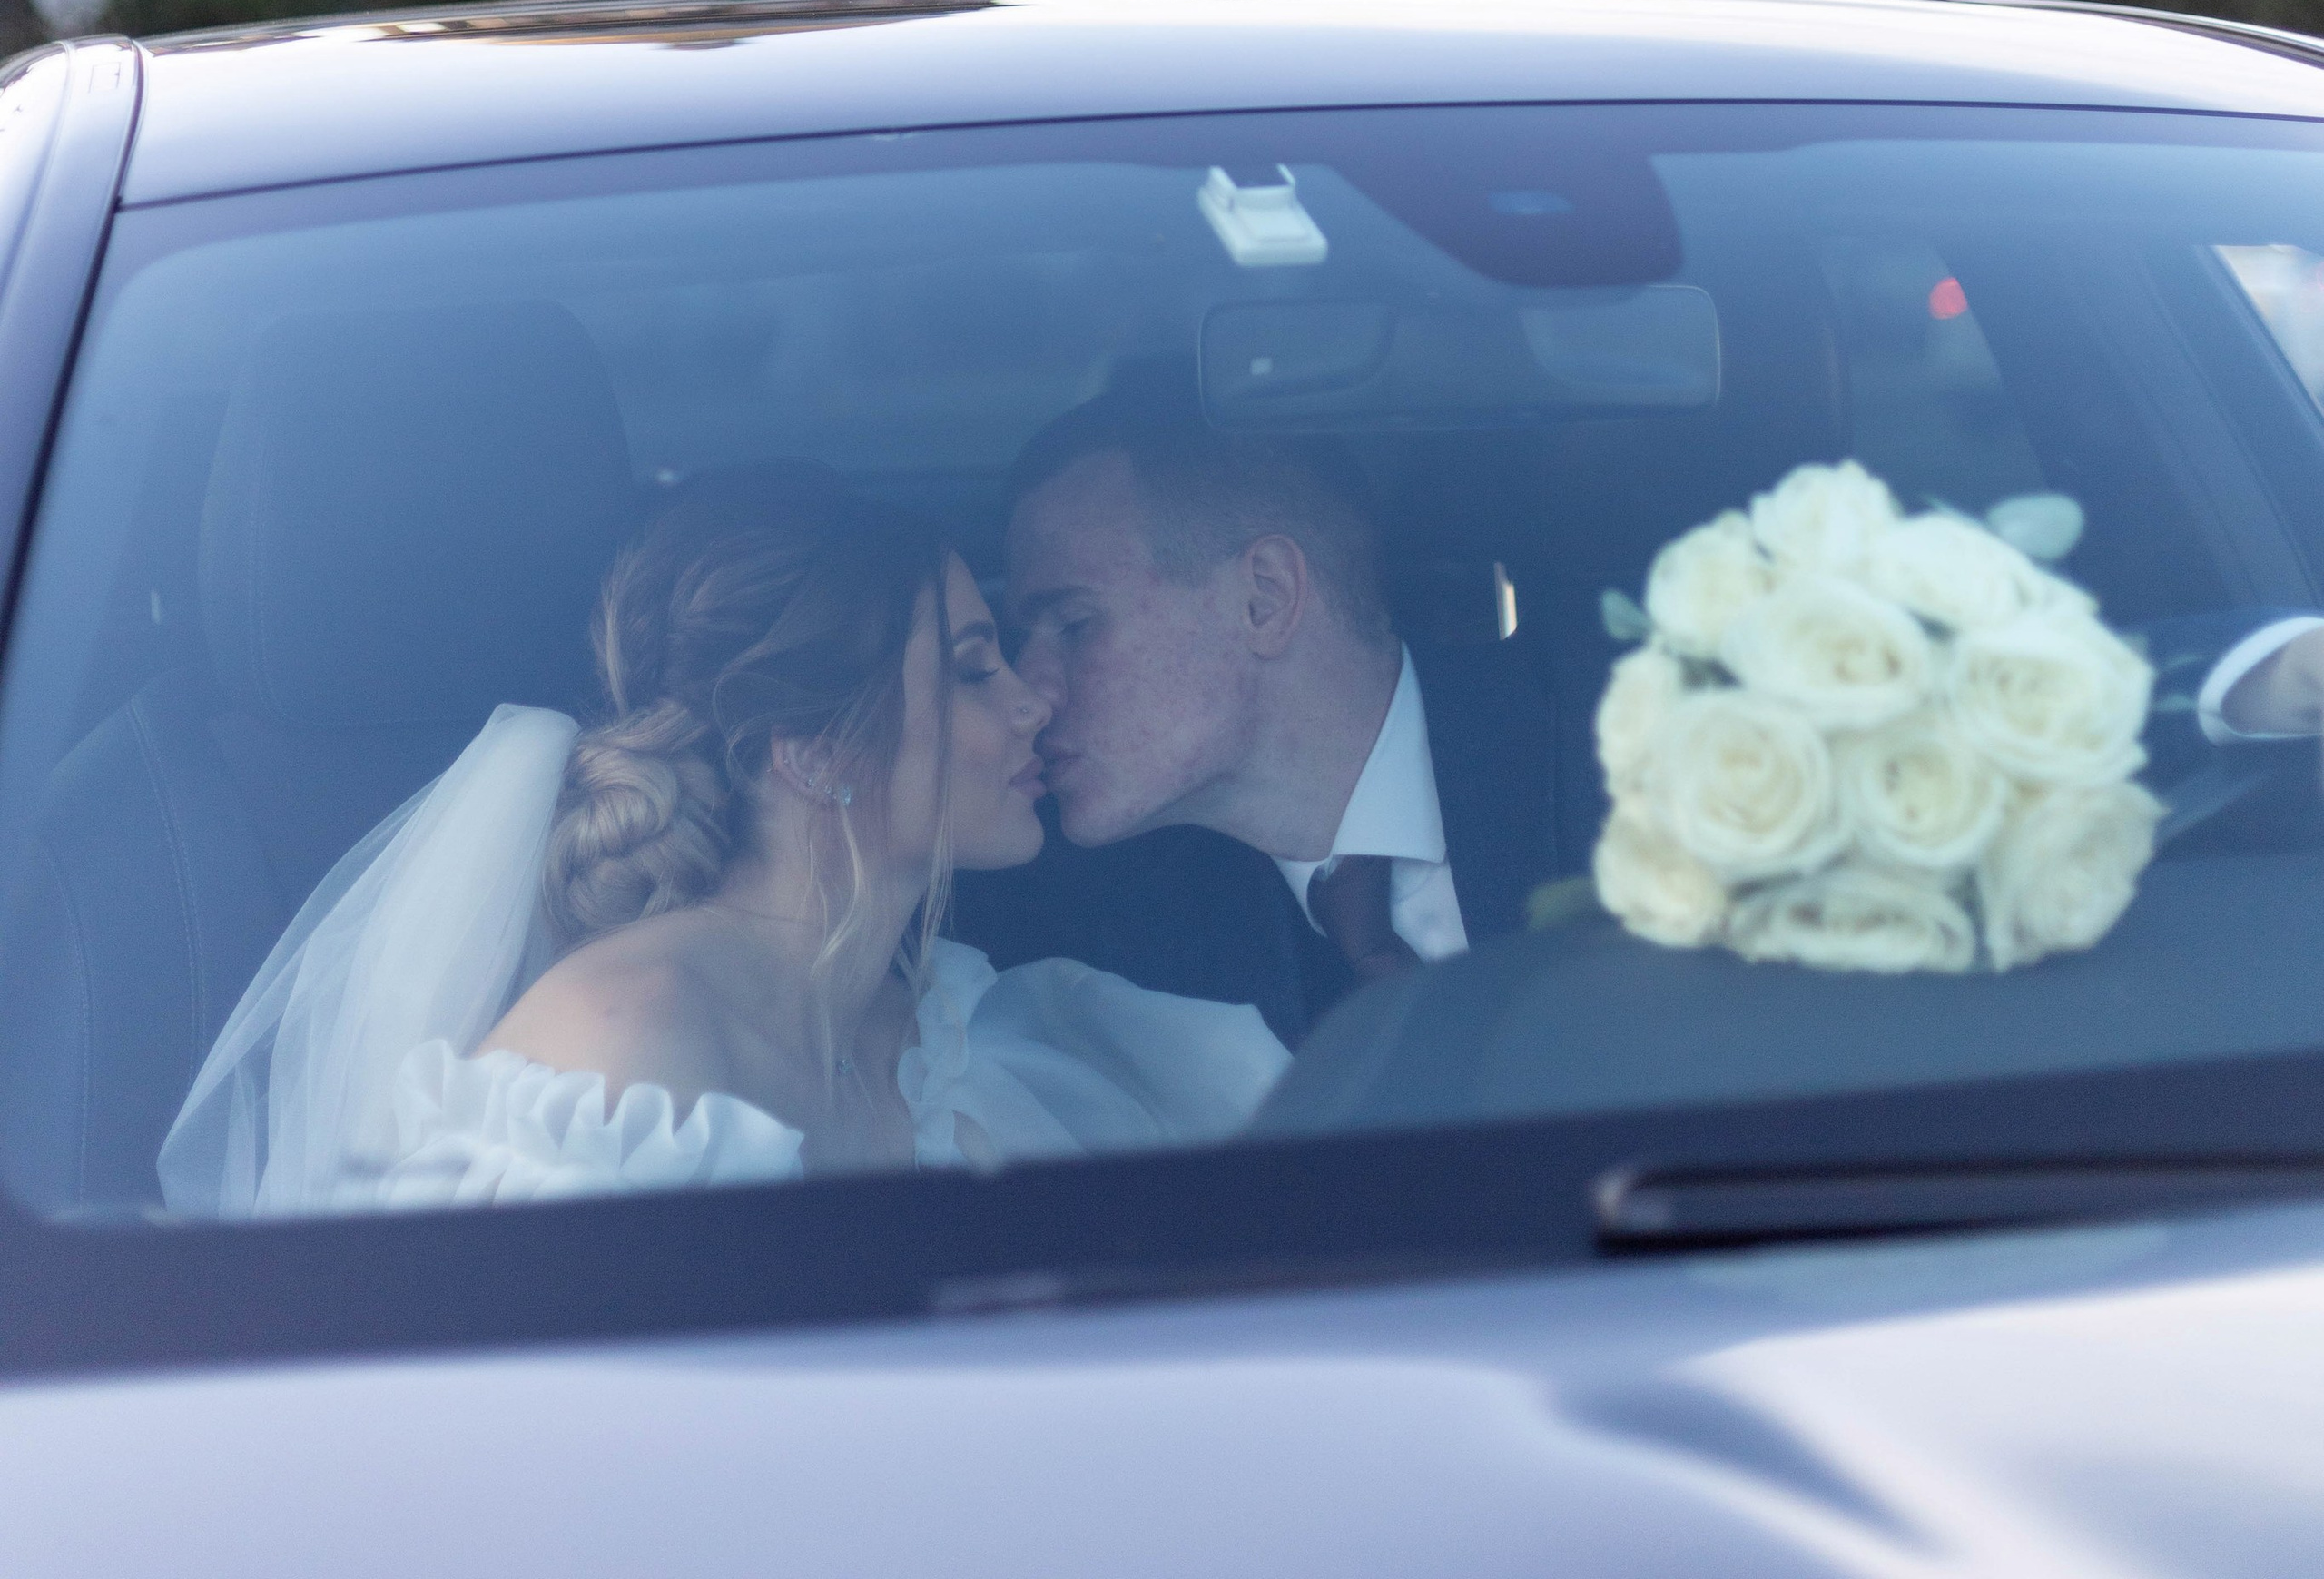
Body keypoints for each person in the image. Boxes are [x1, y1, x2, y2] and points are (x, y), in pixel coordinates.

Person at [1001, 397, 2324, 1037]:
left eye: (1070, 623)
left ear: (1266, 595)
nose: (1029, 688)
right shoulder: (1065, 920)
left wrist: (2273, 675)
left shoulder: (1640, 729)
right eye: (1009, 642)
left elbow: (1961, 730)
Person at [160, 469, 1286, 1216]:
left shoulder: (940, 1029)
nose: (1035, 702)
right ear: (810, 752)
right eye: (971, 665)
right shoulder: (615, 1052)